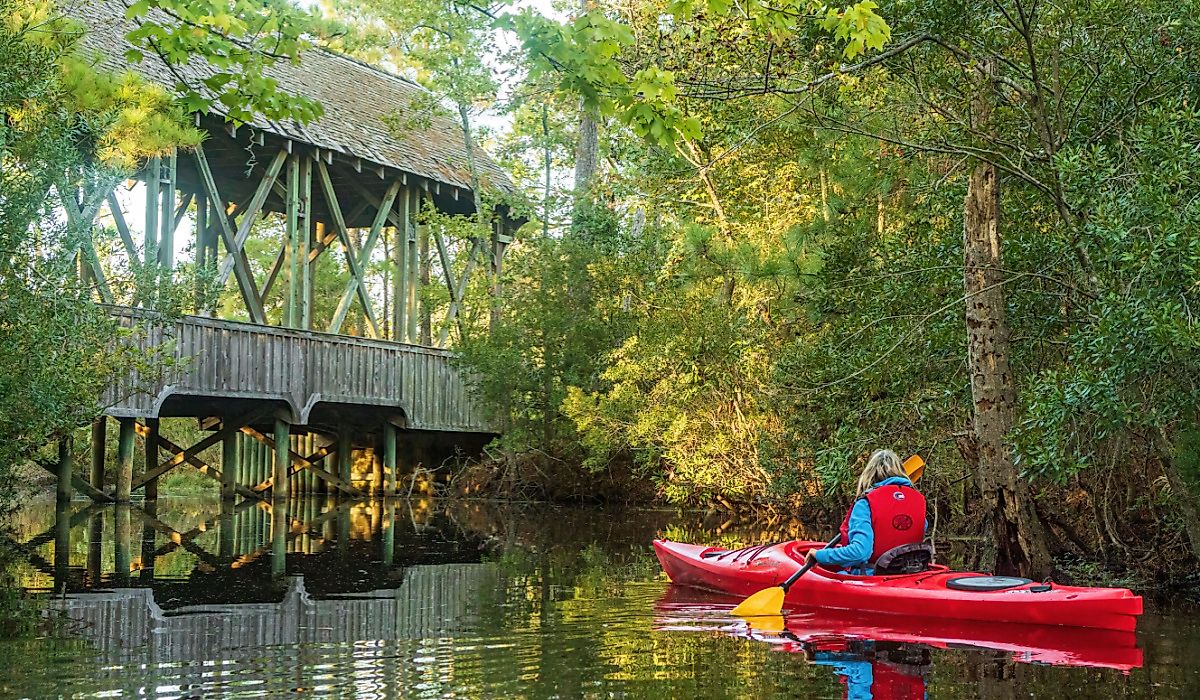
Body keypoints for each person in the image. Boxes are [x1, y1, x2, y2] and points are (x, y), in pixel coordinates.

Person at [810, 449, 927, 575]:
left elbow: (860, 553)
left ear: (869, 474)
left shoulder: (865, 504)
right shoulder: (918, 501)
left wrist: (819, 555)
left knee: (840, 575)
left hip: (874, 576)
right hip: (911, 574)